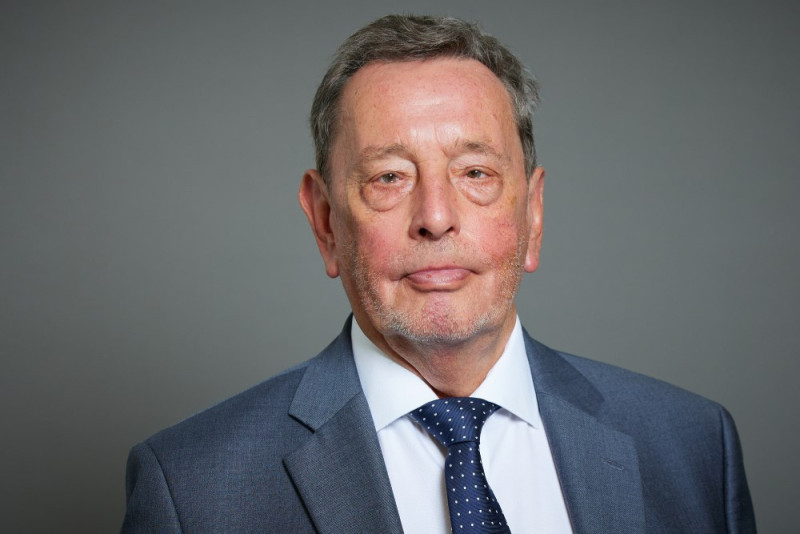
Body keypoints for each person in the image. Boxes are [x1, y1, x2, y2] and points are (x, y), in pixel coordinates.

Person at [121, 14, 756, 533]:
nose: (435, 218)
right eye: (388, 177)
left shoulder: (692, 445)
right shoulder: (193, 489)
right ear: (324, 222)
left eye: (475, 173)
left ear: (533, 213)